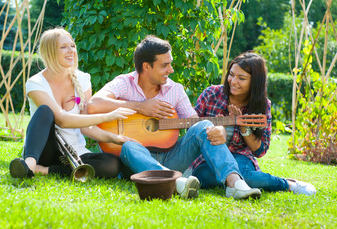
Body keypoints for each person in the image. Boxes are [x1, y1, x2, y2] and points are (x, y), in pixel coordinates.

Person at [87, 35, 262, 199]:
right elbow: (93, 104)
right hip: (133, 160)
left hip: (171, 157)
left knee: (204, 125)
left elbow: (195, 124)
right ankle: (173, 181)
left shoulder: (175, 90)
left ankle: (234, 183)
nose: (170, 69)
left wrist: (220, 129)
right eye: (165, 65)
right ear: (146, 66)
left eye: (170, 64)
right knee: (128, 146)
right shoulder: (124, 83)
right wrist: (140, 106)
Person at [9, 28, 138, 179]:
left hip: (75, 151)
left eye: (72, 46)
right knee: (45, 111)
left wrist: (114, 138)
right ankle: (29, 164)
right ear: (49, 53)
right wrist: (108, 116)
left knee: (112, 165)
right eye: (63, 47)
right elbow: (62, 120)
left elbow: (85, 126)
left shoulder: (83, 79)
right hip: (47, 149)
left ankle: (43, 170)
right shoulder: (35, 83)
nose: (71, 51)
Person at [189, 51, 316, 196]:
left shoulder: (262, 105)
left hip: (240, 156)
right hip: (210, 157)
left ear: (255, 82)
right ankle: (240, 182)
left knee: (245, 176)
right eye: (231, 74)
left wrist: (243, 127)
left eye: (241, 78)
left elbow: (260, 150)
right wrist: (214, 127)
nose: (233, 81)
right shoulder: (211, 94)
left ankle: (288, 184)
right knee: (202, 177)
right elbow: (192, 130)